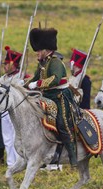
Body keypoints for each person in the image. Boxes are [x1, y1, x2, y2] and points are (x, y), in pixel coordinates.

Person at [26, 28, 77, 168]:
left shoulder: (55, 62)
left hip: (60, 96)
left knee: (62, 122)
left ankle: (73, 155)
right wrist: (23, 86)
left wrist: (37, 84)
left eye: (38, 51)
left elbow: (54, 79)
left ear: (45, 49)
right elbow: (35, 77)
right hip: (46, 96)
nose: (36, 53)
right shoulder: (42, 63)